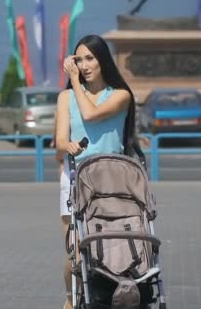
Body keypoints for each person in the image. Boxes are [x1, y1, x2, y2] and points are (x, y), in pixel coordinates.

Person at [55, 34, 139, 309]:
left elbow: (91, 115)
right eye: (78, 60)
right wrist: (66, 145)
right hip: (76, 176)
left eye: (90, 58)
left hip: (114, 180)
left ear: (103, 60)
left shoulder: (121, 95)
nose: (84, 65)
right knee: (75, 252)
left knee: (114, 245)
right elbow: (59, 141)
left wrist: (75, 81)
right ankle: (70, 299)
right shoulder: (65, 97)